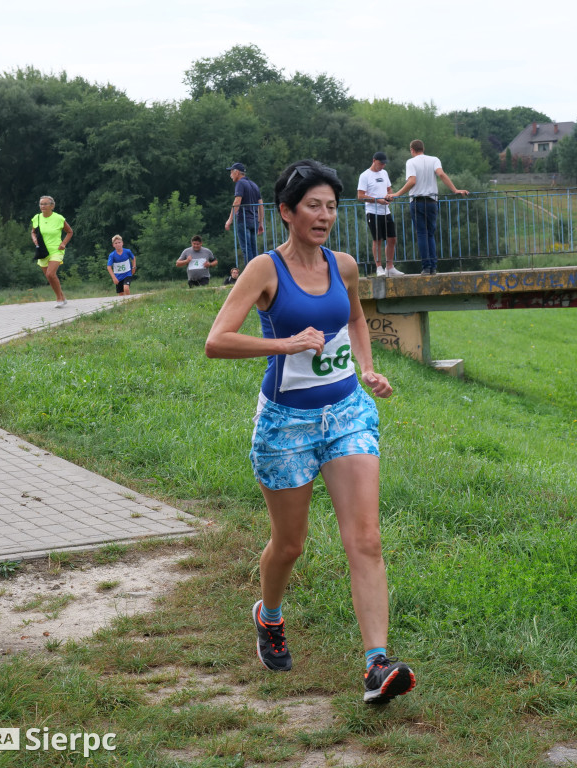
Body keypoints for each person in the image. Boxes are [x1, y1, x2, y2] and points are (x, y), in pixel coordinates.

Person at [205, 159, 415, 706]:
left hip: (347, 410)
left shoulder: (343, 265)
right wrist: (285, 343)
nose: (324, 216)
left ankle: (376, 665)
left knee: (365, 540)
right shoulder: (264, 270)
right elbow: (217, 340)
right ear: (287, 213)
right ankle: (268, 616)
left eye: (331, 207)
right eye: (313, 206)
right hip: (285, 422)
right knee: (290, 544)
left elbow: (356, 319)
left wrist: (367, 369)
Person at [389, 140, 469, 275]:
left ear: (412, 150)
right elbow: (441, 174)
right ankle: (433, 266)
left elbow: (412, 181)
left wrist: (396, 194)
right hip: (432, 201)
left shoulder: (411, 162)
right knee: (430, 234)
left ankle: (426, 267)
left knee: (422, 234)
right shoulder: (434, 160)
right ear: (423, 148)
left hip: (417, 201)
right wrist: (455, 190)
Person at [357, 152, 403, 277]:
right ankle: (379, 267)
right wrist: (377, 200)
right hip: (373, 212)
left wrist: (390, 196)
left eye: (384, 163)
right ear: (374, 160)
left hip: (386, 211)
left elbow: (389, 189)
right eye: (380, 163)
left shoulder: (384, 173)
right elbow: (360, 196)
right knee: (377, 240)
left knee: (392, 239)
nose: (382, 165)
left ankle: (390, 267)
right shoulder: (365, 175)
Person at [30, 195, 73, 308]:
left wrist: (63, 243)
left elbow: (70, 232)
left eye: (45, 204)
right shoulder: (37, 218)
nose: (42, 206)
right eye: (41, 204)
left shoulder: (59, 218)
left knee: (50, 273)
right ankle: (62, 297)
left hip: (56, 250)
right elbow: (33, 232)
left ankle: (59, 299)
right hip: (43, 251)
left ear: (52, 206)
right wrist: (34, 238)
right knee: (50, 277)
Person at [224, 162, 265, 266]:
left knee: (246, 249)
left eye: (231, 172)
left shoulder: (240, 184)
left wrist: (230, 220)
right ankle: (257, 270)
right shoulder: (254, 185)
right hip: (254, 221)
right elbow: (261, 205)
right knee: (253, 248)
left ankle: (251, 274)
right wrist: (261, 222)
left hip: (244, 220)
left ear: (237, 172)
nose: (230, 175)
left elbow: (237, 202)